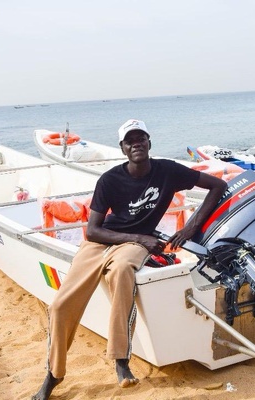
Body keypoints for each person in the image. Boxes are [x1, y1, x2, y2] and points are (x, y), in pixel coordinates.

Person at [32, 119, 227, 400]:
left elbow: (217, 186)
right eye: (130, 140)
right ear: (122, 148)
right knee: (61, 305)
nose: (136, 143)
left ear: (149, 143)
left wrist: (190, 228)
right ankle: (53, 374)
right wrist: (139, 238)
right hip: (104, 241)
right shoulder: (110, 179)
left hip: (134, 245)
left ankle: (121, 360)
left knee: (122, 271)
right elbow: (93, 230)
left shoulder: (167, 171)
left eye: (141, 138)